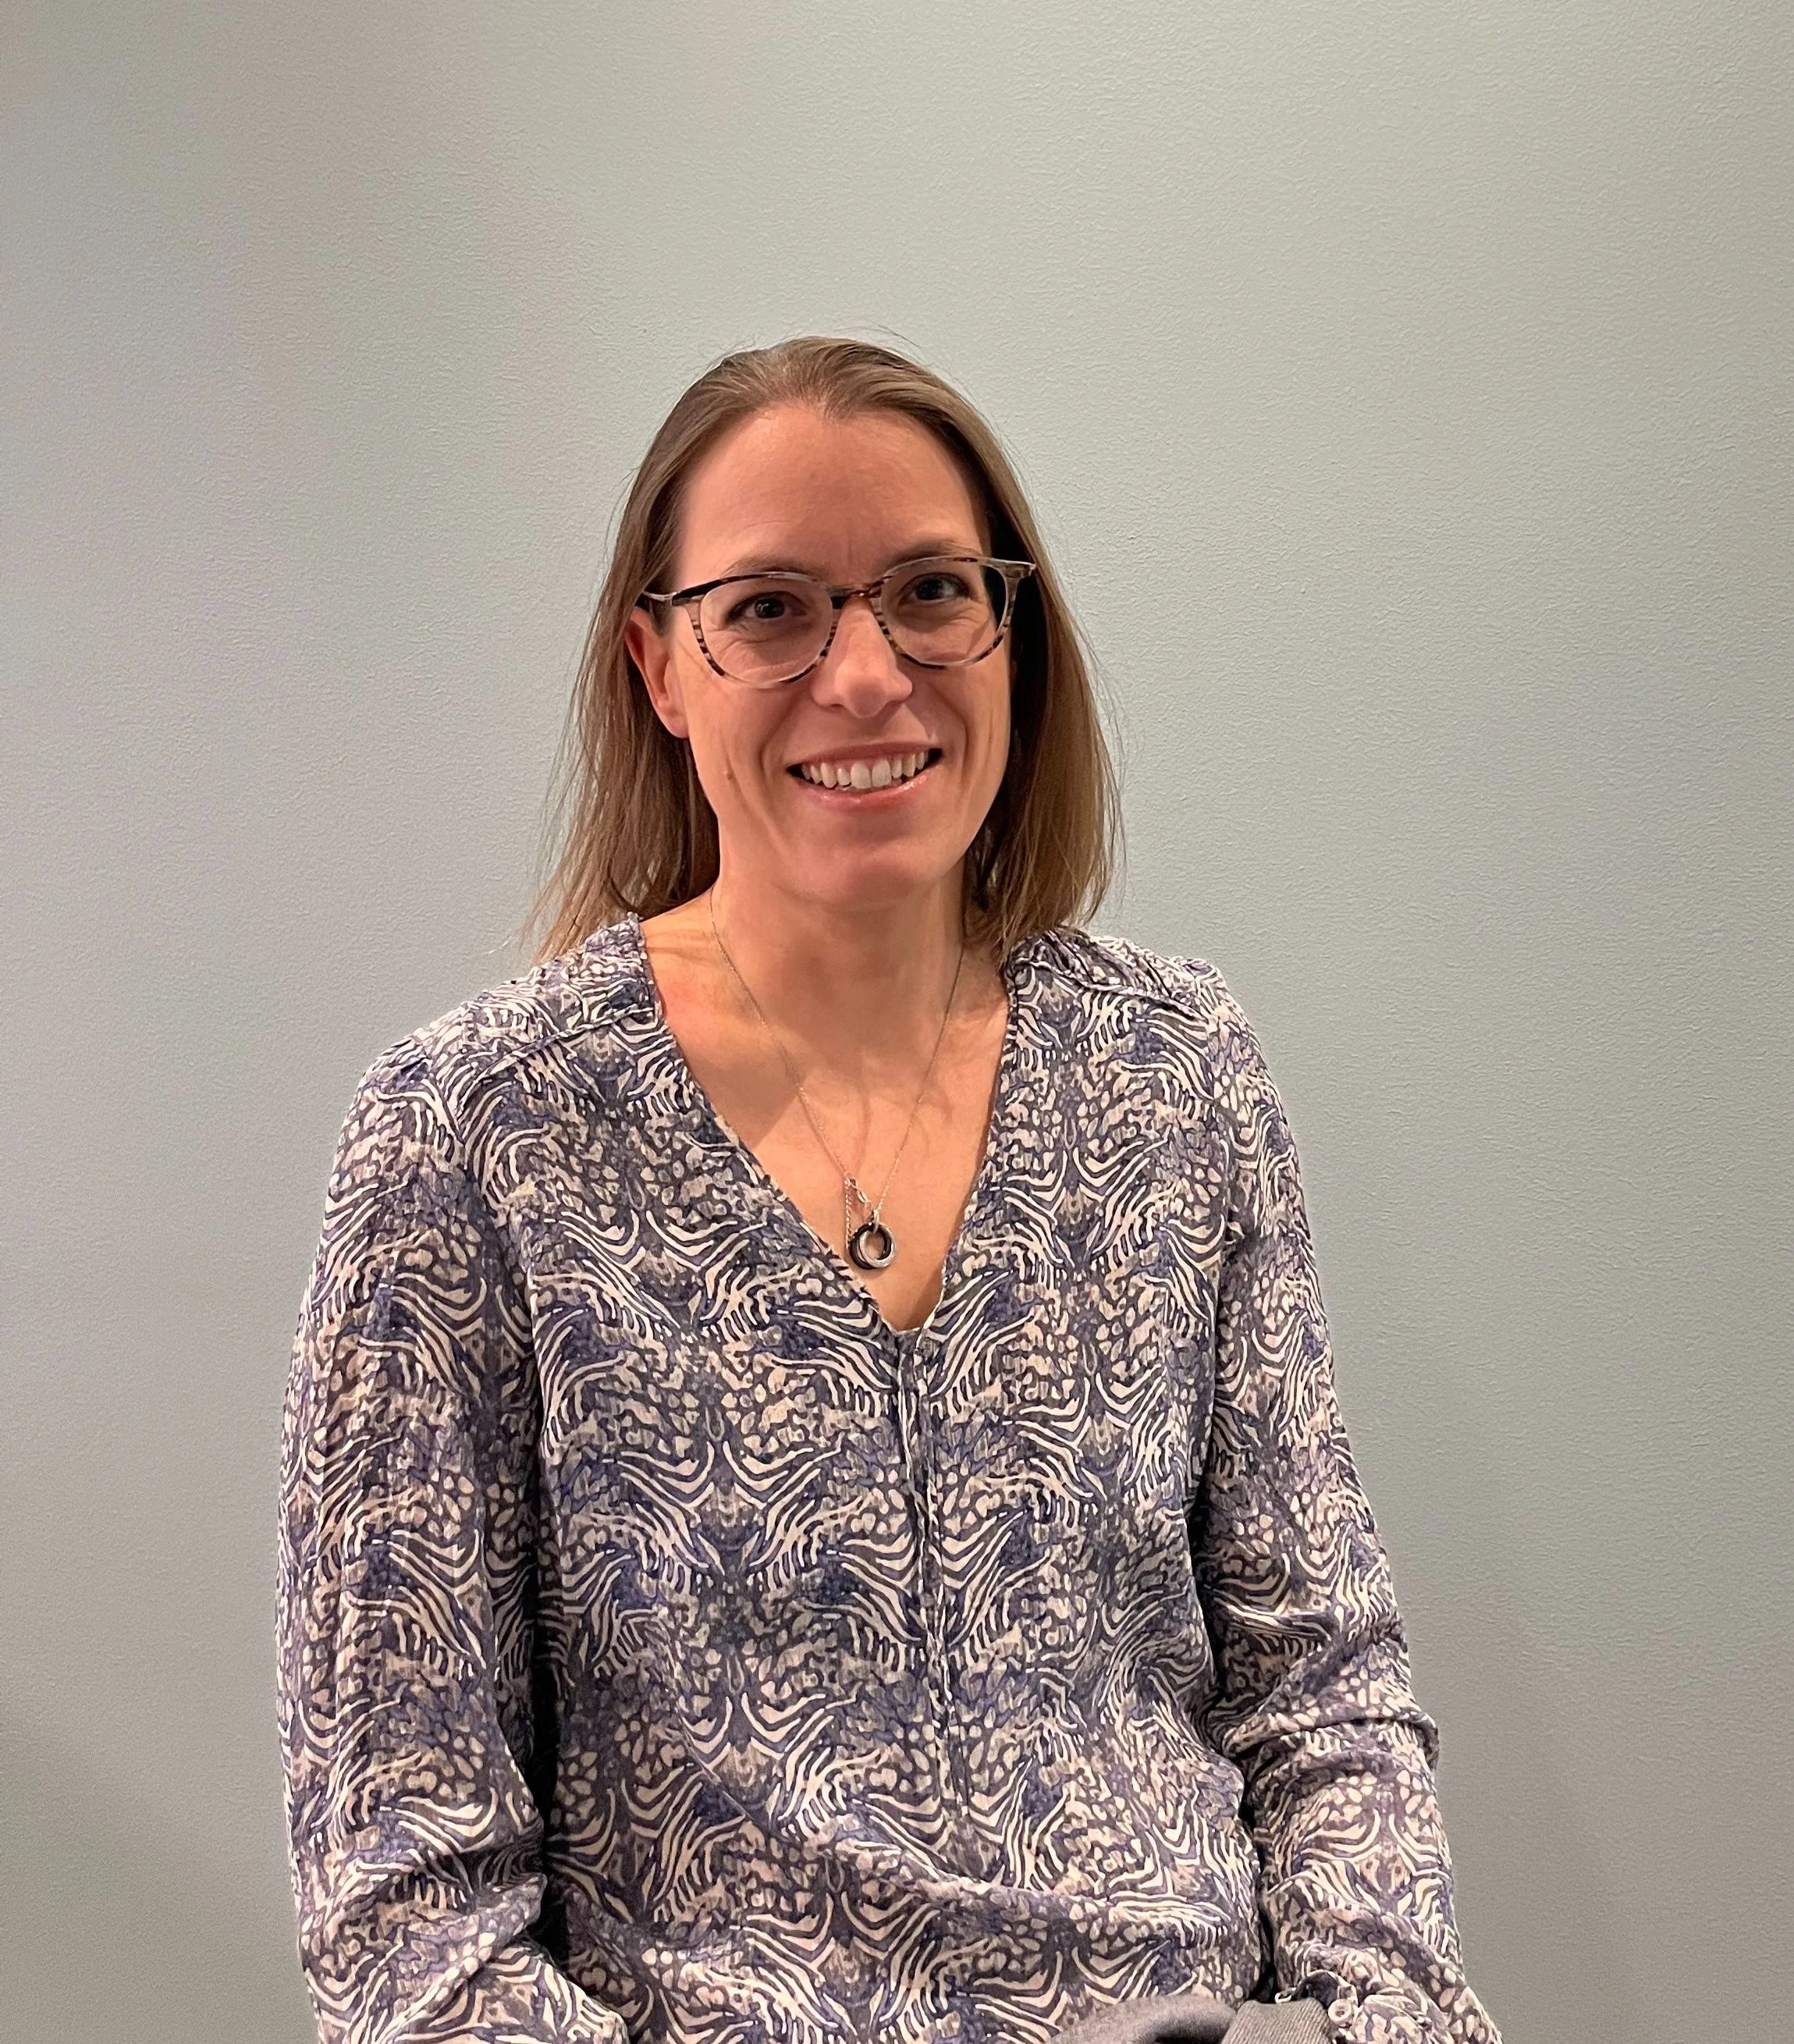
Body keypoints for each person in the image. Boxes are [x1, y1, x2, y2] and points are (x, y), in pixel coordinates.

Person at [275, 336, 1501, 2044]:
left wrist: (1378, 2023)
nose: (866, 675)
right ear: (659, 665)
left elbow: (1325, 1687)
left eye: (930, 591)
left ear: (1011, 630)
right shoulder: (474, 1131)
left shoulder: (1175, 1071)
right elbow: (405, 1903)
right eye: (770, 609)